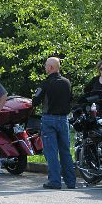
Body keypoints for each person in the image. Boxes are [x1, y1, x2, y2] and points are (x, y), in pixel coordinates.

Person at [32, 57, 76, 189]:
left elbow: (35, 101)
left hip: (49, 119)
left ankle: (55, 181)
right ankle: (71, 181)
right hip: (63, 119)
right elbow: (71, 99)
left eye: (46, 66)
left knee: (51, 151)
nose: (45, 68)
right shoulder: (67, 82)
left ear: (50, 67)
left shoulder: (46, 83)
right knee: (65, 151)